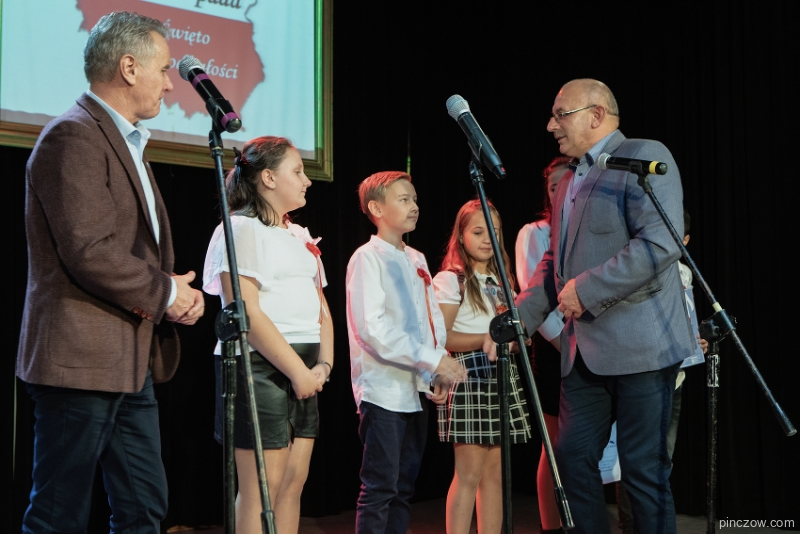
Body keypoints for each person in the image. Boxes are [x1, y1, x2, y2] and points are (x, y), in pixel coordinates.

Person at [16, 12, 204, 533]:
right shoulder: (72, 137)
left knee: (145, 508)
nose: (170, 83)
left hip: (129, 358)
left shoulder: (127, 142)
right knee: (59, 514)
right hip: (81, 361)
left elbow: (127, 248)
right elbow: (89, 250)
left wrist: (172, 294)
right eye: (163, 69)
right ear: (128, 67)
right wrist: (166, 293)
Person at [515, 78, 696, 534]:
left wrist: (588, 290)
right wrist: (516, 322)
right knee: (572, 459)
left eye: (561, 114)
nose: (551, 125)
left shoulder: (643, 156)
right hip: (583, 354)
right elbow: (554, 262)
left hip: (642, 346)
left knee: (642, 471)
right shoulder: (568, 180)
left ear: (596, 115)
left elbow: (661, 242)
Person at [203, 136, 333, 534]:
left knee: (293, 484)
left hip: (306, 367)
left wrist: (324, 364)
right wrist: (298, 372)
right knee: (263, 488)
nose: (306, 180)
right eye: (298, 171)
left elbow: (322, 308)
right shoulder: (241, 229)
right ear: (268, 178)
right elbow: (247, 311)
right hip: (259, 365)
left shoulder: (298, 235)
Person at [346, 171, 467, 534]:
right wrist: (432, 359)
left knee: (403, 488)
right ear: (376, 209)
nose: (414, 206)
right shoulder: (367, 258)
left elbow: (431, 320)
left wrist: (435, 370)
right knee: (380, 487)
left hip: (414, 390)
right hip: (383, 390)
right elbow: (373, 329)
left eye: (415, 199)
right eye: (403, 199)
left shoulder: (416, 257)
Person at [433, 199, 531, 534]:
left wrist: (516, 341)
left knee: (495, 475)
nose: (488, 238)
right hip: (469, 374)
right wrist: (486, 338)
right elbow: (443, 337)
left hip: (501, 371)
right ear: (461, 235)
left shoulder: (503, 281)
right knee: (469, 473)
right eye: (478, 231)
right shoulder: (452, 279)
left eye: (494, 231)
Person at [615, 210, 706, 534]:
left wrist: (694, 341)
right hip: (643, 376)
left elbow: (684, 318)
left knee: (661, 460)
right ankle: (631, 525)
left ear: (684, 241)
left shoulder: (684, 273)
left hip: (675, 378)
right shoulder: (637, 270)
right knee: (635, 460)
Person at [514, 156, 570, 533]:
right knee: (554, 444)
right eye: (552, 186)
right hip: (556, 348)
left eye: (564, 184)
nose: (558, 191)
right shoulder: (534, 233)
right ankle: (552, 526)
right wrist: (566, 343)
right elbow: (532, 293)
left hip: (591, 347)